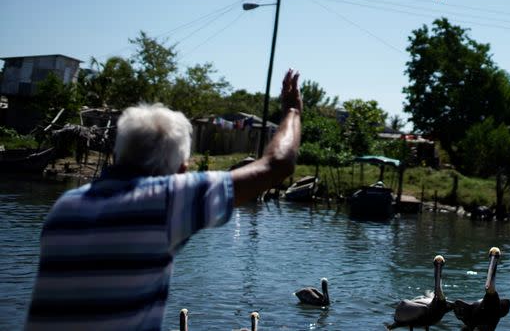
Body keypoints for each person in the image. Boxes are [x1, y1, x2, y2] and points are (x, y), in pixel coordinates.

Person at [25, 69, 302, 331]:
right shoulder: (167, 200)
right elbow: (278, 164)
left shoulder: (64, 206)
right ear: (181, 170)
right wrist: (292, 110)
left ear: (118, 155)